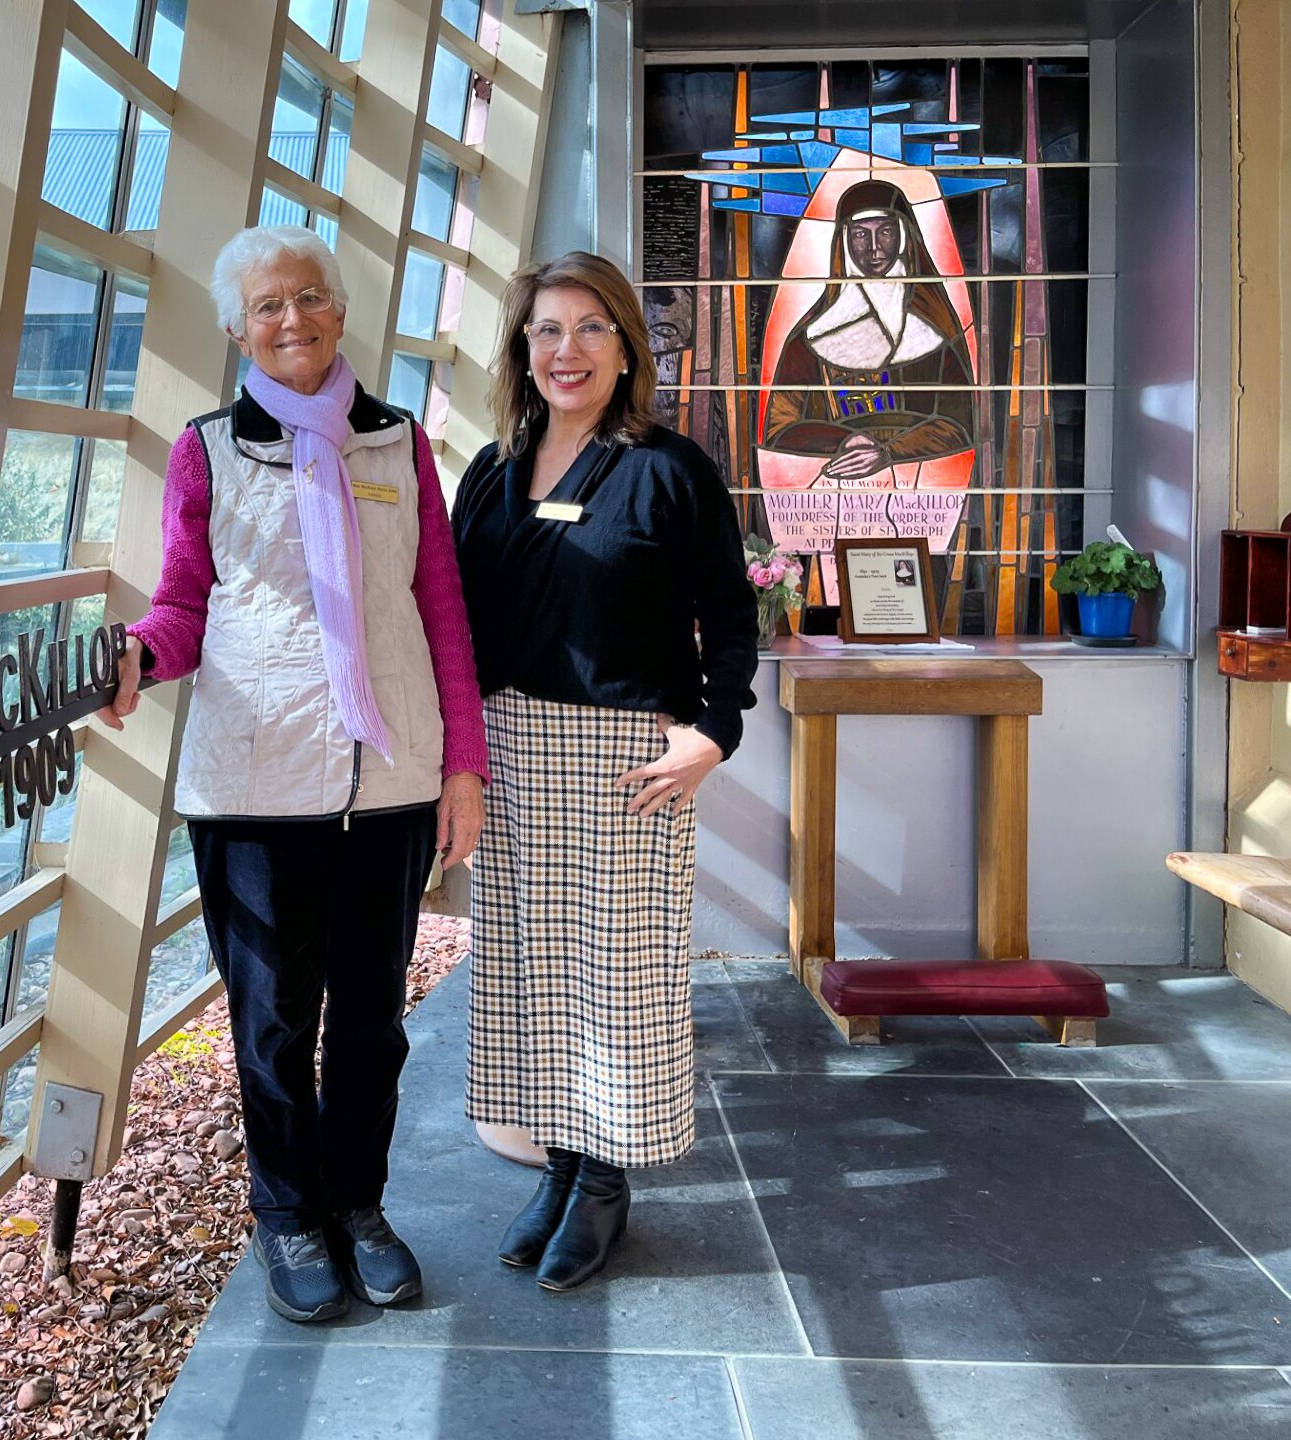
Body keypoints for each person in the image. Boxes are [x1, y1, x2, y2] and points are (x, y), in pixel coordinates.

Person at [97, 225, 489, 1324]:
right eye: (267, 306)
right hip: (256, 786)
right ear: (237, 329)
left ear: (341, 310)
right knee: (272, 1020)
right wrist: (135, 656)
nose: (292, 319)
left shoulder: (398, 444)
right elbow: (184, 605)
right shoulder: (208, 450)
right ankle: (287, 1215)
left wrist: (463, 763)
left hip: (392, 779)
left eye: (309, 297)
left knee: (371, 1018)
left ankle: (358, 1206)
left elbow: (441, 610)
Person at [451, 251, 758, 1292]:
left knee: (619, 980)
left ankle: (604, 1181)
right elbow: (452, 619)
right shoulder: (492, 471)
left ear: (627, 348)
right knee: (530, 971)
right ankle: (560, 1166)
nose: (566, 349)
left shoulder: (670, 470)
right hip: (510, 751)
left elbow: (731, 616)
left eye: (590, 327)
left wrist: (714, 731)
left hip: (627, 758)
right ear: (521, 348)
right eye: (546, 329)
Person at [762, 179, 977, 482]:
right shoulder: (810, 342)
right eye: (861, 234)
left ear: (902, 237)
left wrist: (890, 451)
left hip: (927, 485)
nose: (874, 247)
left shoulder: (935, 335)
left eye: (885, 232)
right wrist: (844, 441)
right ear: (845, 241)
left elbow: (961, 425)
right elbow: (780, 428)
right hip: (832, 488)